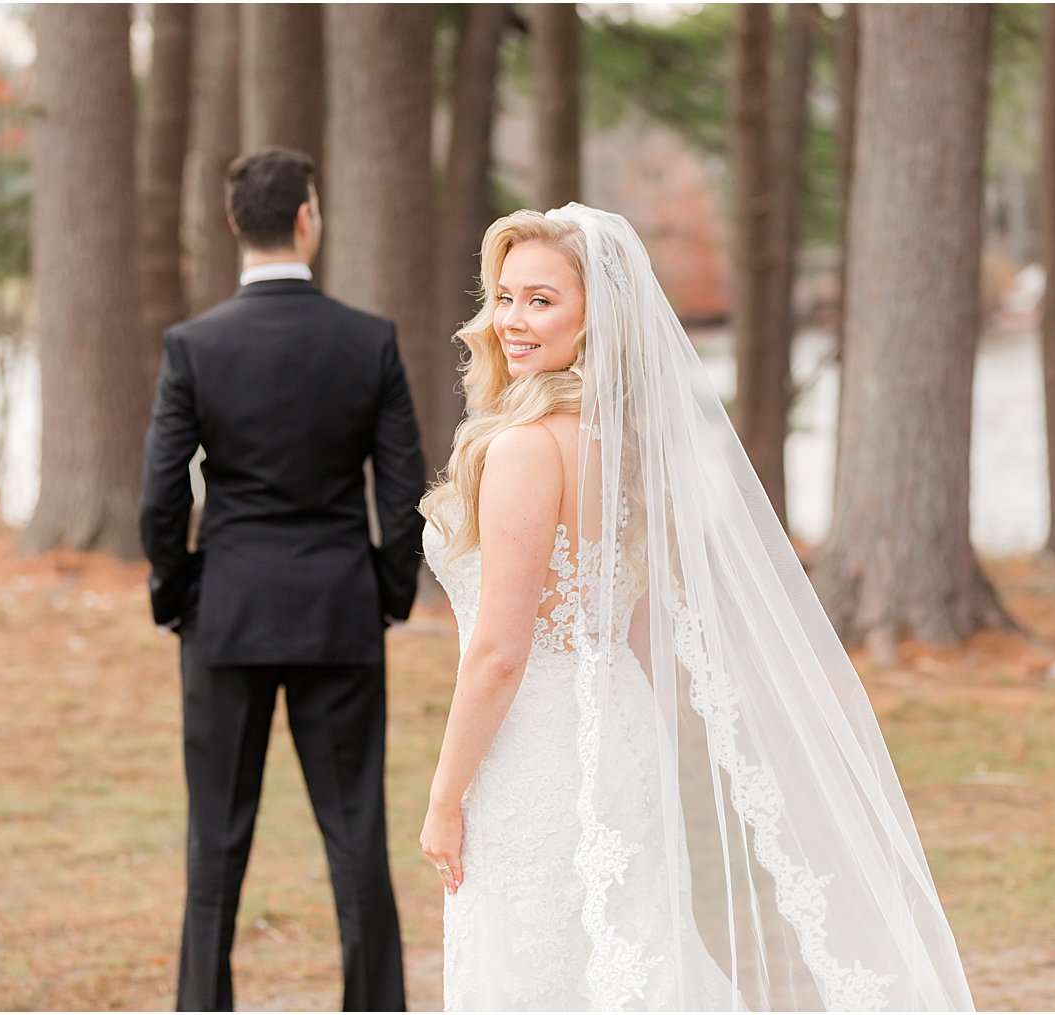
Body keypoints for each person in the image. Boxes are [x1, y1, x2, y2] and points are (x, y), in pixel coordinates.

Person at [418, 205, 976, 1011]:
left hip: (533, 746)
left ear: (596, 315)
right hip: (619, 728)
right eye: (504, 297)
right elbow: (635, 623)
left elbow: (501, 651)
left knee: (539, 966)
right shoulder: (623, 442)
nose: (511, 321)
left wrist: (443, 798)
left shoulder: (523, 448)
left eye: (541, 299)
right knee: (634, 952)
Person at [140, 147, 425, 1012]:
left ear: (236, 222)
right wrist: (385, 590)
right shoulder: (367, 339)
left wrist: (179, 592)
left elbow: (160, 494)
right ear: (308, 216)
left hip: (225, 615)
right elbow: (408, 492)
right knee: (356, 839)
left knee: (214, 844)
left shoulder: (194, 345)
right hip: (340, 613)